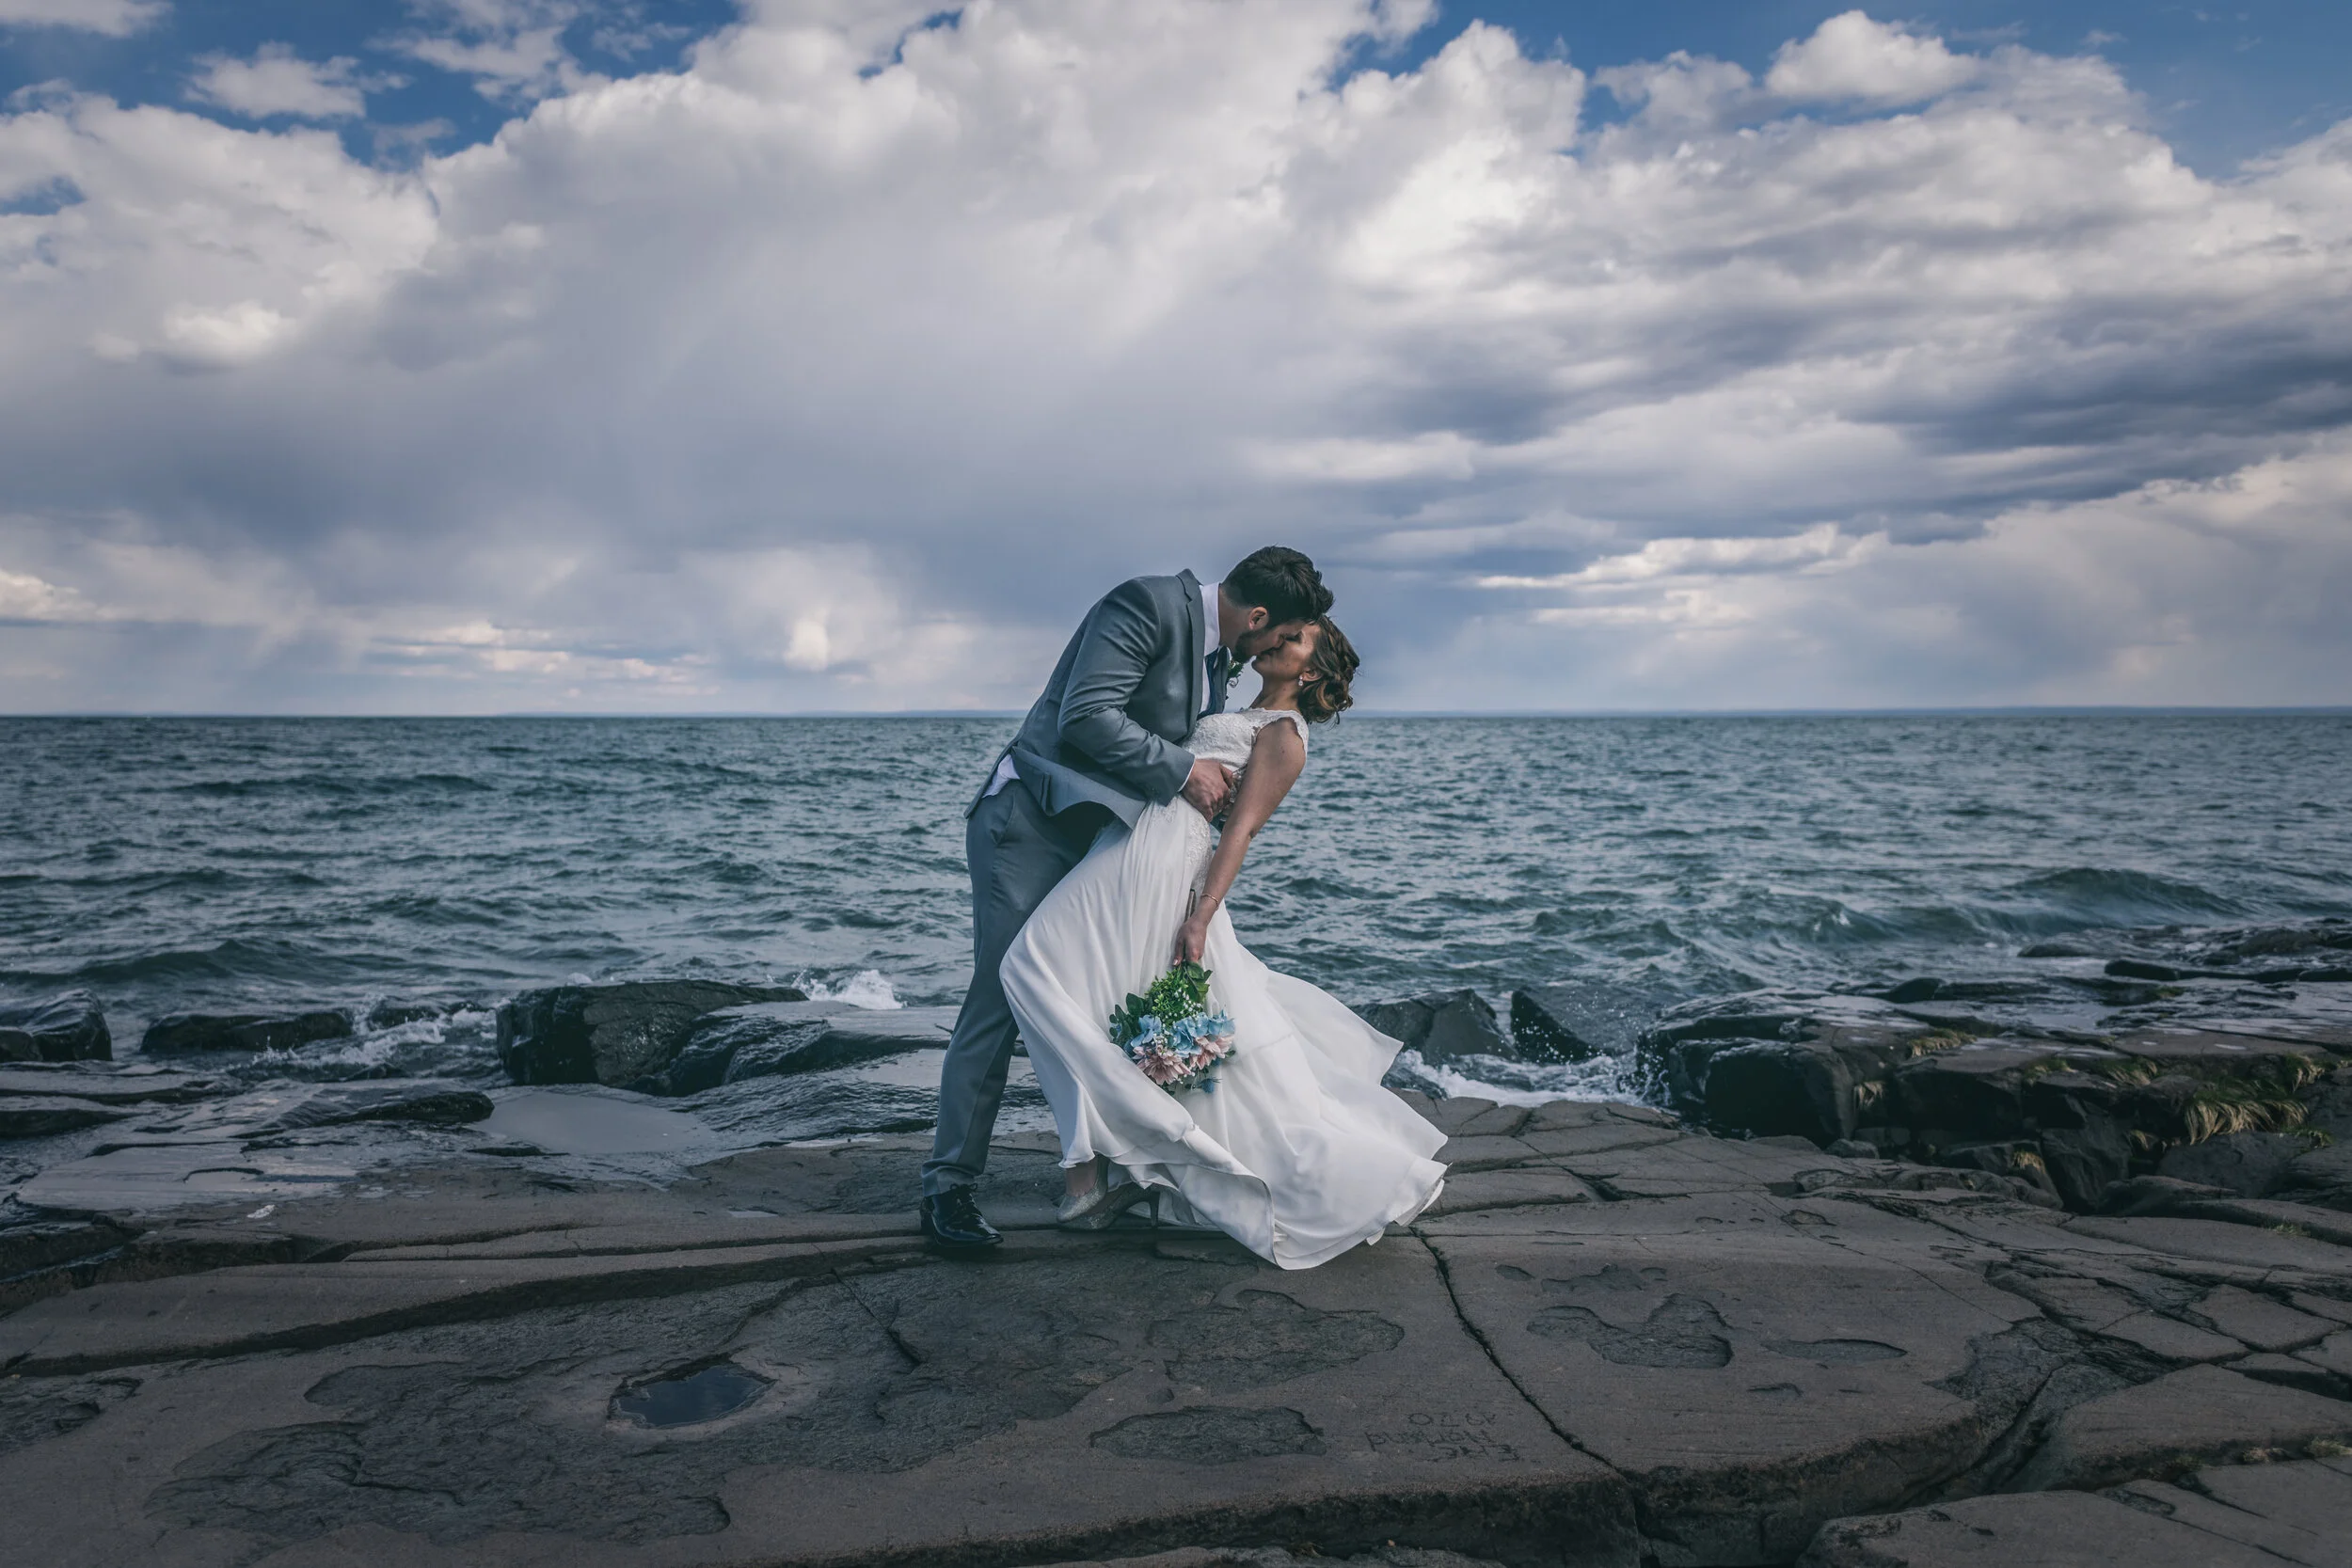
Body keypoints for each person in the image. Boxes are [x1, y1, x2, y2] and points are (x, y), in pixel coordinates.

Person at [1001, 617, 1447, 1269]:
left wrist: (1200, 915)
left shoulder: (1285, 737)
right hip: (1134, 840)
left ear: (1311, 672)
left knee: (1028, 967)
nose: (1276, 640)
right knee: (1075, 987)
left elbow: (1238, 833)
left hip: (1164, 860)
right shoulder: (1242, 706)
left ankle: (1089, 1172)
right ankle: (1098, 1170)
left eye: (1293, 641)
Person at [919, 547, 1332, 1249]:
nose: (1271, 649)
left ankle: (1106, 1173)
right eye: (1278, 635)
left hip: (1105, 843)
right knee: (1004, 990)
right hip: (1032, 821)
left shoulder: (1219, 656)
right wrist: (1183, 771)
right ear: (1259, 616)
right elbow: (1086, 716)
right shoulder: (1144, 605)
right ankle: (947, 1187)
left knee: (1099, 994)